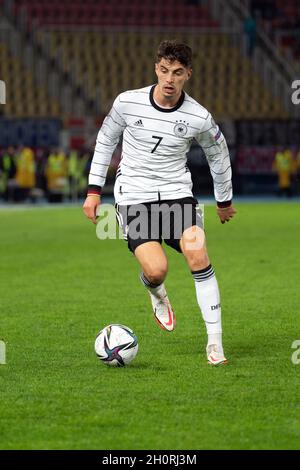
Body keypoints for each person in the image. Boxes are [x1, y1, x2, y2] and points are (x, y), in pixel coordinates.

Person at [83, 40, 236, 366]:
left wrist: (224, 199)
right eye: (164, 70)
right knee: (157, 269)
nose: (169, 79)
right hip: (134, 197)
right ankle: (156, 292)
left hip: (177, 194)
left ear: (187, 75)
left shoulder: (198, 117)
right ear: (156, 68)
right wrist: (94, 190)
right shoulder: (127, 103)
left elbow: (218, 155)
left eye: (177, 73)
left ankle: (215, 344)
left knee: (198, 253)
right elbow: (105, 140)